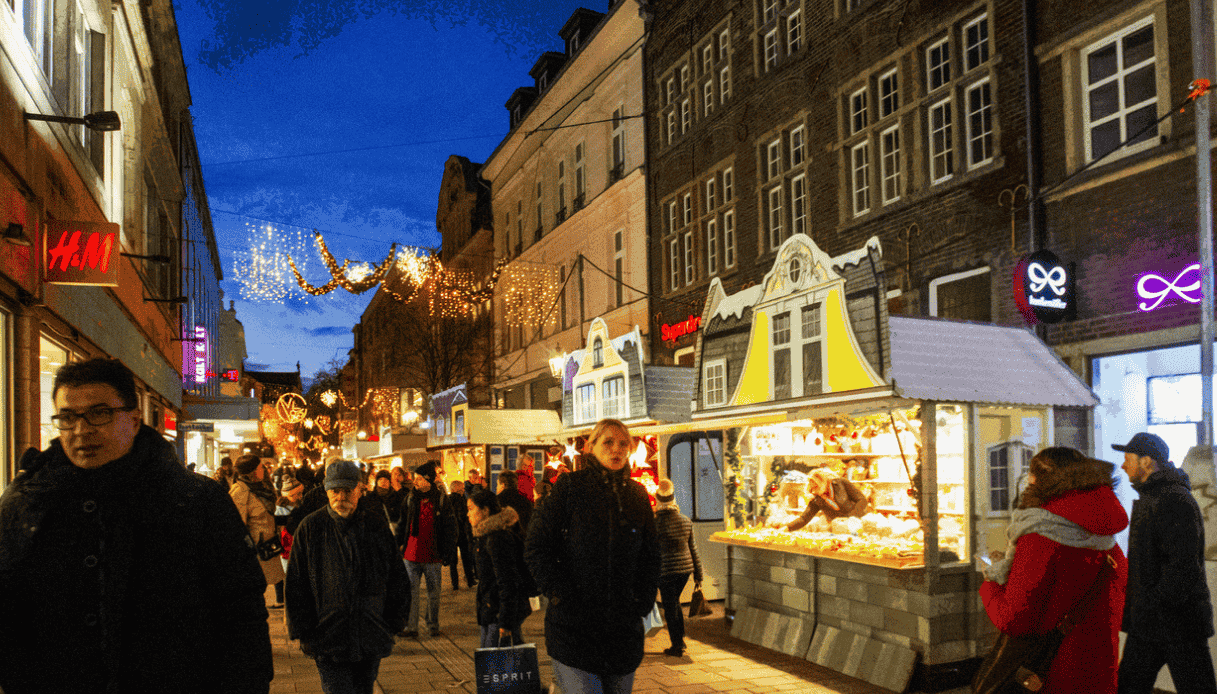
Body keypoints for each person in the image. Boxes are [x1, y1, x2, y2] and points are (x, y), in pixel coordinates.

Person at [0, 358, 272, 692]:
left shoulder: (196, 501)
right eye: (68, 417)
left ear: (133, 418)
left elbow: (241, 616)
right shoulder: (26, 502)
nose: (81, 430)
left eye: (99, 413)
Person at [525, 418, 661, 694]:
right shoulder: (571, 488)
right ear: (591, 447)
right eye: (608, 442)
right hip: (575, 630)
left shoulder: (637, 495)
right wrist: (560, 593)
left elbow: (650, 555)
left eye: (623, 443)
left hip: (623, 632)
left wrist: (642, 601)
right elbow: (536, 546)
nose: (617, 450)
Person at [979, 447, 1128, 693]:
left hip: (1052, 674)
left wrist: (990, 582)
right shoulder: (1107, 538)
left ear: (1038, 482)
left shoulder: (1040, 539)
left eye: (1031, 475)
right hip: (1099, 670)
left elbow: (1014, 620)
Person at [286, 459, 409, 694]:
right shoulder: (311, 528)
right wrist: (303, 631)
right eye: (335, 491)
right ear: (326, 492)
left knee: (364, 689)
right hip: (328, 637)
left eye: (347, 491)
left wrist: (394, 623)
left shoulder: (376, 526)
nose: (340, 497)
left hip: (370, 633)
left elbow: (396, 576)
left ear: (359, 490)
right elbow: (296, 584)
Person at [1113, 433, 1217, 694]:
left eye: (1128, 459)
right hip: (1152, 625)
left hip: (1178, 626)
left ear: (1146, 461)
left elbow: (1182, 566)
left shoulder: (1173, 500)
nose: (1124, 465)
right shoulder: (1155, 497)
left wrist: (1151, 605)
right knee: (1127, 686)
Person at [396, 460, 457, 637]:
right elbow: (402, 524)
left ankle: (433, 625)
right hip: (411, 553)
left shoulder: (441, 499)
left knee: (434, 593)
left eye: (420, 478)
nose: (416, 482)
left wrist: (448, 550)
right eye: (415, 478)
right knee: (411, 592)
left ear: (429, 480)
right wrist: (399, 546)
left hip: (433, 553)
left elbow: (450, 526)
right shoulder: (410, 498)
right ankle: (412, 627)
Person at [469, 489, 533, 647]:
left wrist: (505, 621)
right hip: (492, 610)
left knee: (495, 666)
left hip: (499, 613)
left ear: (485, 511)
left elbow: (508, 581)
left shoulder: (497, 538)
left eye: (471, 508)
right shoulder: (486, 536)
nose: (467, 514)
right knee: (496, 664)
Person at [654, 479, 704, 658]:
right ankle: (679, 640)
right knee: (674, 604)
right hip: (684, 570)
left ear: (658, 500)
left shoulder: (655, 523)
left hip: (665, 571)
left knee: (671, 606)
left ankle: (677, 645)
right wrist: (699, 573)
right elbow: (693, 548)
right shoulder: (685, 521)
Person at [231, 453, 287, 600]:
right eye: (261, 467)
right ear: (252, 472)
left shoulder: (261, 488)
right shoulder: (240, 492)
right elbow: (237, 527)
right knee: (257, 586)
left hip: (270, 545)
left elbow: (266, 514)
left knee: (275, 578)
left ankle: (279, 600)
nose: (265, 470)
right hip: (256, 551)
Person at [783, 467, 868, 531]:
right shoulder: (817, 498)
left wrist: (850, 517)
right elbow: (804, 519)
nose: (814, 491)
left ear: (822, 481)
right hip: (838, 528)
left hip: (856, 524)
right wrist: (787, 528)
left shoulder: (841, 483)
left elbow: (862, 500)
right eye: (812, 488)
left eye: (816, 486)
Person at [449, 479, 478, 590]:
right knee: (466, 558)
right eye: (461, 487)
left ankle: (455, 583)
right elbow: (463, 516)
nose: (463, 489)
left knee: (453, 561)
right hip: (462, 533)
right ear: (455, 488)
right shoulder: (461, 500)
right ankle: (470, 581)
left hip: (452, 534)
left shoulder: (448, 500)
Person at [497, 468, 533, 535]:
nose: (496, 487)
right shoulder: (525, 501)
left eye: (497, 484)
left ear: (502, 485)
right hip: (522, 538)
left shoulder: (497, 501)